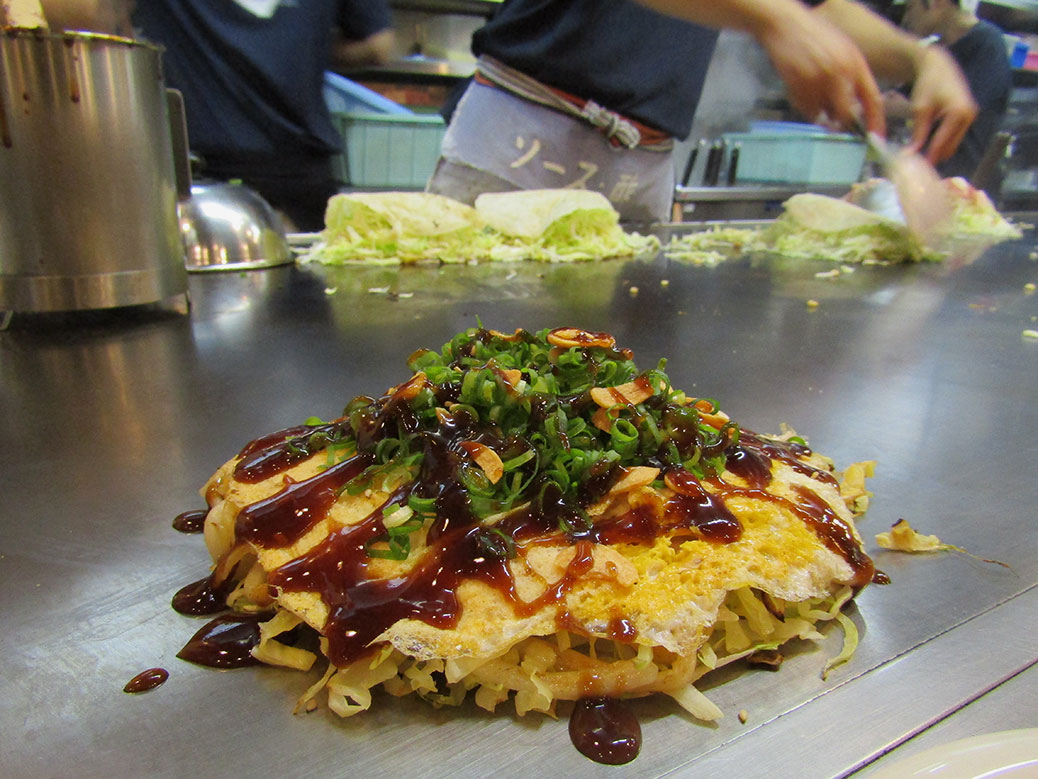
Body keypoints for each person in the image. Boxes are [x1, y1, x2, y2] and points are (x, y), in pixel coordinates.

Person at [427, 0, 978, 223]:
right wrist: (773, 16)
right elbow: (786, 12)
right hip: (520, 140)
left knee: (626, 402)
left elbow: (816, 8)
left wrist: (918, 57)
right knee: (458, 396)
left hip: (642, 170)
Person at [893, 0, 1012, 181]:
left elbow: (964, 109)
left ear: (934, 3)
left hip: (966, 178)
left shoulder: (988, 44)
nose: (907, 18)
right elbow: (900, 96)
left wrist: (905, 108)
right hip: (927, 176)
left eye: (910, 8)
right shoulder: (937, 49)